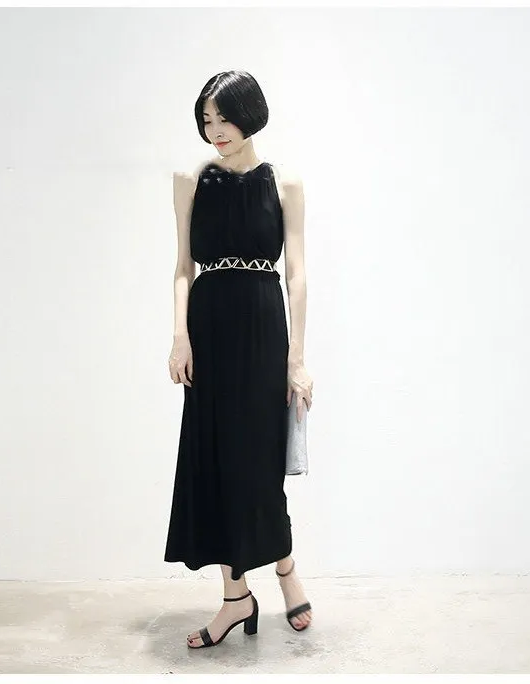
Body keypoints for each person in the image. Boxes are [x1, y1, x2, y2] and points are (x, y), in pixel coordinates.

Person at [164, 70, 314, 649]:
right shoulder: (190, 181)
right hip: (209, 329)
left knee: (259, 461)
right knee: (219, 461)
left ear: (250, 114)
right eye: (207, 120)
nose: (216, 131)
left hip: (262, 327)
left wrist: (296, 358)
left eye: (224, 118)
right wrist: (180, 336)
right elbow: (183, 266)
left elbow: (297, 275)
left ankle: (285, 568)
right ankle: (235, 598)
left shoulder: (285, 183)